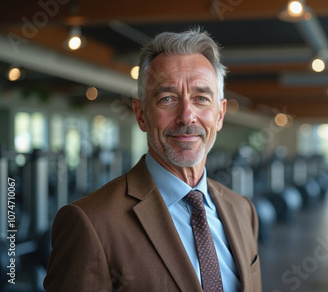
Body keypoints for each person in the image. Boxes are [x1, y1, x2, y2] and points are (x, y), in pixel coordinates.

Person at [44, 28, 261, 292]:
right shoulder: (91, 222)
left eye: (201, 98)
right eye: (167, 98)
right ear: (141, 114)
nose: (186, 116)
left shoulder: (242, 210)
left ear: (220, 115)